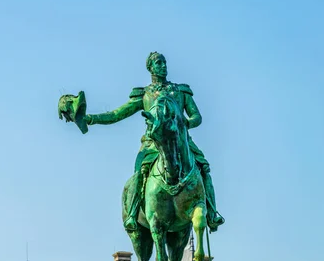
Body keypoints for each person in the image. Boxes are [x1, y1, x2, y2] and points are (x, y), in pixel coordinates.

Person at [84, 52, 225, 233]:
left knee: (204, 167)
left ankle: (212, 212)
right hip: (153, 143)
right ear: (150, 68)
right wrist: (90, 119)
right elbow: (116, 115)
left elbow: (197, 116)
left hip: (181, 142)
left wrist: (186, 124)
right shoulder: (144, 95)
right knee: (140, 172)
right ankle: (133, 214)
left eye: (164, 62)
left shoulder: (180, 91)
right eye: (158, 63)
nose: (163, 66)